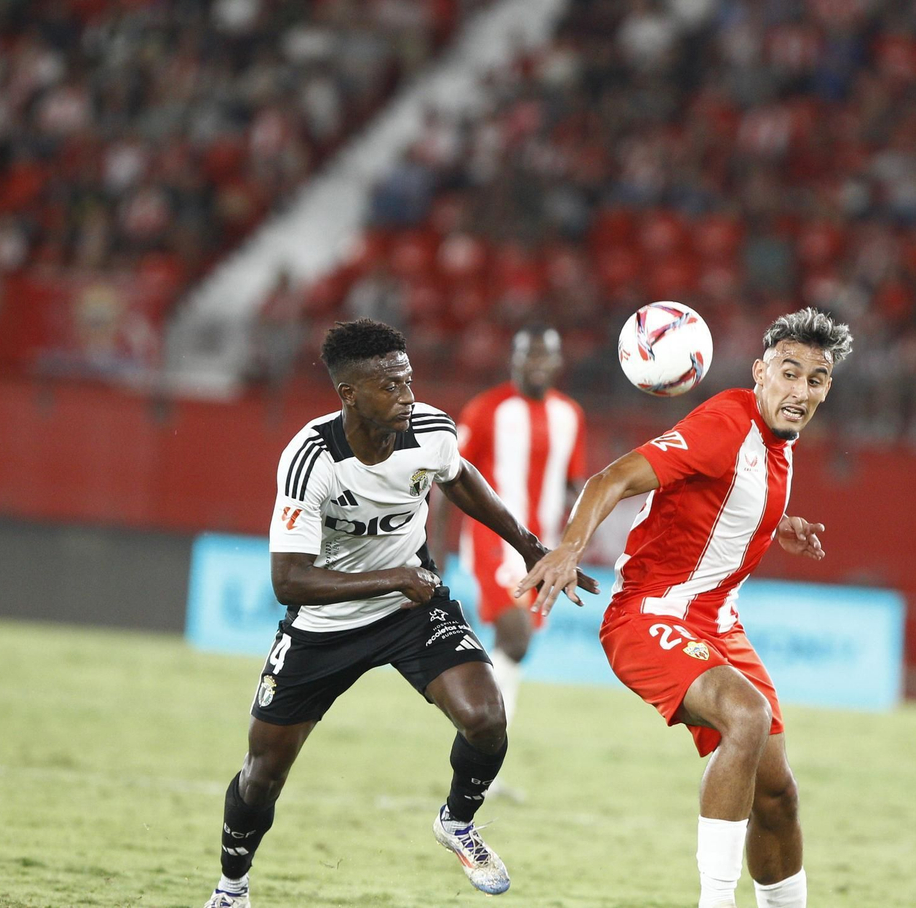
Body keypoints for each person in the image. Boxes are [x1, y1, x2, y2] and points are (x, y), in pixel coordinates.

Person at [201, 318, 597, 908]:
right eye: (390, 386)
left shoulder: (430, 429)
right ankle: (232, 889)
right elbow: (289, 582)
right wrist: (392, 577)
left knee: (487, 719)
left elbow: (460, 479)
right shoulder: (311, 459)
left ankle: (457, 822)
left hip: (411, 610)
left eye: (408, 380)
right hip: (325, 625)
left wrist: (529, 544)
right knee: (263, 772)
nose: (407, 395)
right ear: (349, 395)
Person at [515, 307, 853, 908]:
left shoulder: (781, 441)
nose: (800, 391)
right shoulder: (727, 420)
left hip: (719, 622)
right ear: (760, 372)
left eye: (816, 379)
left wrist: (778, 526)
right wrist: (568, 549)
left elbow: (720, 501)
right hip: (650, 615)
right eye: (789, 372)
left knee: (778, 796)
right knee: (744, 718)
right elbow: (610, 478)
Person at [428, 324, 587, 799]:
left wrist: (577, 543)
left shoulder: (570, 415)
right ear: (513, 361)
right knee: (515, 638)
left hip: (545, 548)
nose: (535, 365)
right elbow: (448, 479)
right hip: (495, 542)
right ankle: (479, 739)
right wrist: (434, 549)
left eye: (544, 357)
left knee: (514, 652)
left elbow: (573, 486)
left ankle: (481, 760)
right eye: (527, 356)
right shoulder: (486, 409)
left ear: (557, 364)